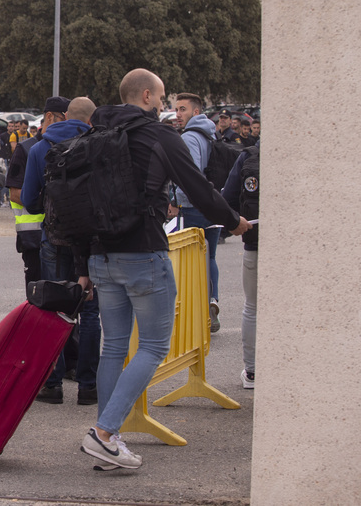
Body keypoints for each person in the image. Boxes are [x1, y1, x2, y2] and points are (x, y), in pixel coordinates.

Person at [77, 69, 249, 470]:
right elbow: (199, 187)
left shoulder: (93, 135)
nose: (165, 105)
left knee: (115, 345)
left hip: (100, 254)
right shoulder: (159, 135)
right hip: (142, 251)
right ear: (148, 95)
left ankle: (107, 437)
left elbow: (80, 200)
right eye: (163, 97)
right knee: (153, 346)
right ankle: (104, 433)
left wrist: (82, 260)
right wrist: (235, 221)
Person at [21, 97, 99, 406]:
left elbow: (28, 199)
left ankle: (52, 384)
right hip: (90, 241)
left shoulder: (41, 148)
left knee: (53, 310)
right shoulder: (98, 145)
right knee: (91, 312)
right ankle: (88, 386)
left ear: (63, 117)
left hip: (53, 238)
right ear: (90, 120)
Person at [5, 97, 69, 294]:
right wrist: (49, 201)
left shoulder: (69, 146)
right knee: (38, 297)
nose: (68, 124)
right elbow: (14, 193)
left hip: (63, 235)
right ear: (49, 116)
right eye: (64, 119)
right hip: (33, 235)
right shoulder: (26, 149)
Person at [171, 92, 224, 332]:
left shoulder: (191, 137)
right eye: (176, 109)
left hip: (193, 207)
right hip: (214, 204)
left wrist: (177, 200)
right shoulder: (210, 132)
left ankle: (198, 311)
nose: (177, 114)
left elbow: (189, 175)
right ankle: (212, 301)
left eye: (182, 109)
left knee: (192, 260)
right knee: (210, 257)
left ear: (195, 111)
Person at [222, 145, 259, 390]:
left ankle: (253, 371)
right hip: (299, 250)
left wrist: (235, 223)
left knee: (253, 307)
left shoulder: (249, 155)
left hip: (255, 244)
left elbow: (228, 198)